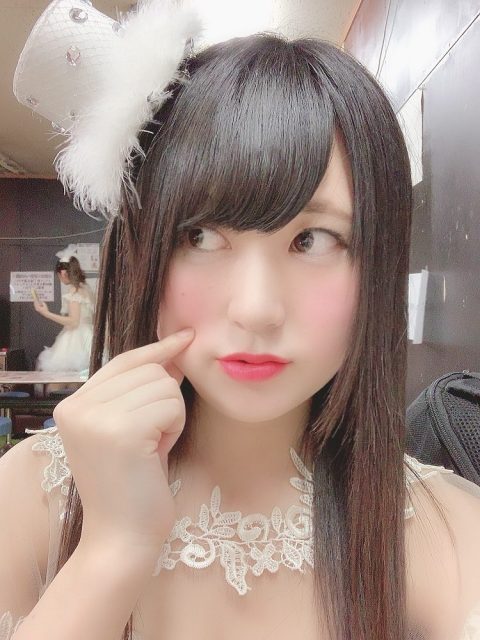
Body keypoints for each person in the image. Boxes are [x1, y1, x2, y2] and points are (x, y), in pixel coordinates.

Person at [1, 1, 480, 639]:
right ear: (143, 249)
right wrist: (111, 551)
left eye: (313, 240)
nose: (255, 308)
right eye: (200, 236)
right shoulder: (30, 495)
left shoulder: (444, 532)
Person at [33, 253, 95, 374]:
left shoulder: (74, 290)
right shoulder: (86, 288)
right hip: (89, 336)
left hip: (76, 339)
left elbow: (74, 322)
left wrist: (46, 313)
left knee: (63, 377)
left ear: (62, 273)